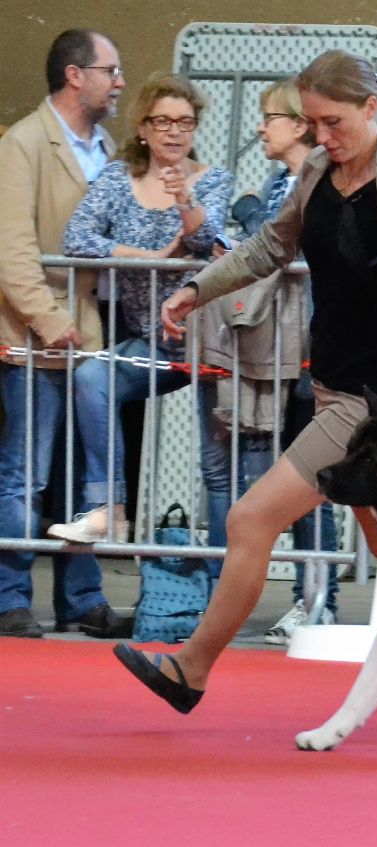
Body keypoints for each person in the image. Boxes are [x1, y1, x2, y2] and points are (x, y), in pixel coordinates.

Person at [112, 49, 377, 712]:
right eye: (313, 123)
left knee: (250, 518)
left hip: (372, 406)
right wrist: (197, 289)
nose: (322, 135)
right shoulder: (315, 169)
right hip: (332, 388)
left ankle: (190, 670)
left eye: (334, 121)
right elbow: (268, 247)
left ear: (371, 108)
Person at [49, 74, 235, 566]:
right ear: (143, 128)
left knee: (216, 467)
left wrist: (185, 200)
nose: (174, 131)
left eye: (185, 122)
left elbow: (206, 241)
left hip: (209, 342)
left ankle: (222, 587)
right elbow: (77, 238)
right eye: (163, 121)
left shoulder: (212, 179)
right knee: (92, 376)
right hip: (153, 341)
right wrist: (146, 257)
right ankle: (109, 509)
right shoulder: (117, 179)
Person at [0, 29, 130, 638]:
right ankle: (10, 597)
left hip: (91, 339)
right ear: (76, 75)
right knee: (26, 474)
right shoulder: (23, 144)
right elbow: (12, 251)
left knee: (85, 478)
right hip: (36, 340)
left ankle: (81, 598)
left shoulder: (107, 147)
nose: (119, 82)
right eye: (110, 71)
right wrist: (50, 323)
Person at [201, 78, 339, 643]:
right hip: (272, 350)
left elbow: (288, 241)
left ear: (300, 124)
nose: (261, 127)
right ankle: (298, 598)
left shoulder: (320, 177)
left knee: (312, 478)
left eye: (270, 116)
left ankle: (318, 600)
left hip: (308, 351)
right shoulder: (276, 180)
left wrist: (252, 213)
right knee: (283, 476)